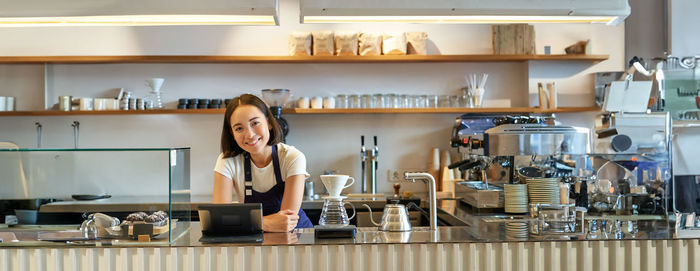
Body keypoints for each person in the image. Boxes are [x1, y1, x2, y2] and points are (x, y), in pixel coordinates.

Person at [212, 94, 313, 232]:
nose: (250, 135)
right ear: (232, 134)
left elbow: (286, 223)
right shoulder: (227, 161)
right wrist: (265, 223)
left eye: (255, 123)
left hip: (298, 239)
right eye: (239, 128)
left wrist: (242, 221)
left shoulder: (292, 157)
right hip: (254, 241)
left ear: (269, 122)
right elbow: (219, 219)